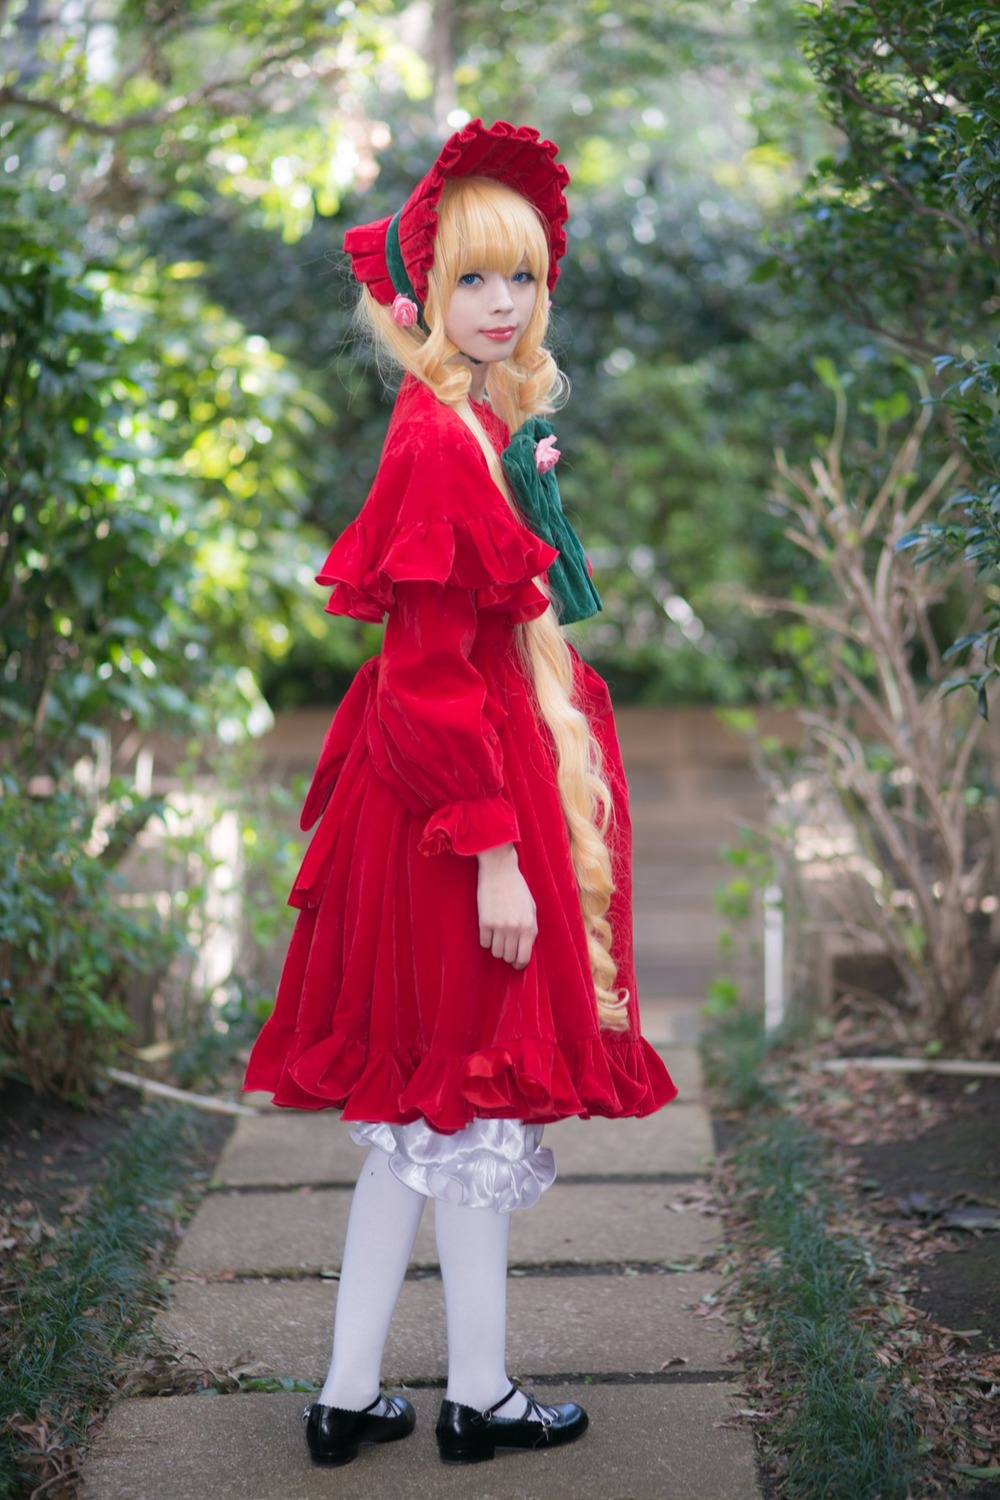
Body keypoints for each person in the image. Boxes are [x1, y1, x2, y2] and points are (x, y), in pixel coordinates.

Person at [243, 117, 677, 1469]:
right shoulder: (439, 442)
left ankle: (347, 1393)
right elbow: (428, 680)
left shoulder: (461, 418)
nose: (499, 305)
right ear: (431, 295)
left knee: (414, 1123)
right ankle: (478, 1399)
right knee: (475, 1099)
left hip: (446, 794)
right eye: (473, 280)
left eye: (522, 281)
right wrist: (495, 855)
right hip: (454, 810)